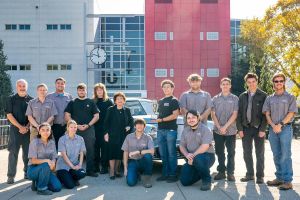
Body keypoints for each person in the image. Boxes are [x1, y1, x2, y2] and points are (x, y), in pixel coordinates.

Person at [263, 72, 298, 190]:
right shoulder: (269, 98)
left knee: (286, 155)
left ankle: (288, 181)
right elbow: (267, 113)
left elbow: (291, 113)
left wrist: (280, 125)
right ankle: (279, 178)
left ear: (284, 83)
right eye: (276, 81)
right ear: (273, 83)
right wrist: (273, 125)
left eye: (281, 81)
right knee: (276, 155)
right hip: (273, 130)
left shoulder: (290, 97)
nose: (279, 83)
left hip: (285, 129)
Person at [236, 72, 267, 184]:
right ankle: (250, 174)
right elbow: (239, 114)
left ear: (257, 81)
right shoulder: (242, 96)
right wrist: (239, 129)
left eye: (253, 81)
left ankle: (260, 176)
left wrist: (263, 129)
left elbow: (266, 114)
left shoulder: (263, 95)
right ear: (246, 83)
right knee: (247, 152)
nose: (251, 84)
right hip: (245, 128)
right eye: (249, 82)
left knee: (260, 153)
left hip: (258, 128)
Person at [64, 83, 100, 177]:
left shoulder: (91, 102)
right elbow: (67, 115)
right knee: (73, 150)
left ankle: (90, 171)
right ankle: (72, 170)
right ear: (77, 91)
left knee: (90, 150)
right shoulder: (72, 102)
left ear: (86, 91)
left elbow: (96, 116)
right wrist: (76, 125)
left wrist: (88, 125)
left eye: (83, 90)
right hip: (75, 130)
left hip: (88, 129)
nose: (81, 91)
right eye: (80, 90)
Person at [179, 110, 215, 191]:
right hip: (191, 158)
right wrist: (187, 155)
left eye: (193, 117)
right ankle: (202, 170)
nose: (191, 120)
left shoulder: (206, 129)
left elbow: (205, 146)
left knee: (198, 159)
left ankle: (206, 180)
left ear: (198, 118)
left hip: (207, 156)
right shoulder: (185, 130)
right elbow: (182, 146)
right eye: (188, 118)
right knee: (184, 181)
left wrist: (193, 156)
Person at [5, 79, 33, 184]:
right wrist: (20, 127)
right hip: (15, 130)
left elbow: (32, 116)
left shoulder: (31, 100)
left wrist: (27, 126)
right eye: (20, 86)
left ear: (26, 87)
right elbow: (9, 115)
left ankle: (27, 173)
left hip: (28, 130)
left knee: (27, 154)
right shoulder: (10, 99)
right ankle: (10, 176)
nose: (22, 88)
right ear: (17, 87)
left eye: (24, 86)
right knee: (13, 153)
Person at [211, 78, 239, 181]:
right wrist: (219, 127)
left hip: (231, 130)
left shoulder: (235, 98)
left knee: (231, 152)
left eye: (227, 84)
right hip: (217, 130)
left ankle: (230, 173)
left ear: (230, 86)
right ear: (220, 86)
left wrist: (225, 127)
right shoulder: (215, 99)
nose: (225, 86)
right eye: (223, 84)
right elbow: (212, 114)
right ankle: (221, 171)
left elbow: (235, 114)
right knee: (219, 151)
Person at [154, 80, 180, 182]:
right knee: (163, 154)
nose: (166, 89)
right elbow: (159, 114)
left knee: (171, 153)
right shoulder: (160, 101)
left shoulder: (174, 100)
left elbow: (175, 115)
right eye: (164, 87)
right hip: (160, 130)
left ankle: (173, 175)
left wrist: (162, 120)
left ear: (172, 88)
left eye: (168, 87)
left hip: (170, 130)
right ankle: (165, 174)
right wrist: (156, 118)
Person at [104, 92, 134, 179]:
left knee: (120, 153)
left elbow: (131, 121)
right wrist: (106, 134)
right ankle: (112, 172)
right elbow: (106, 123)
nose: (120, 100)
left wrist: (129, 126)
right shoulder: (111, 109)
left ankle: (117, 170)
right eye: (118, 99)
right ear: (115, 101)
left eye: (121, 99)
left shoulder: (127, 110)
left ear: (124, 101)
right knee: (112, 153)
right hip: (112, 135)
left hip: (123, 135)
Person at [27, 123, 62, 195]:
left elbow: (54, 156)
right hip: (33, 169)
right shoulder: (34, 142)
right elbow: (33, 160)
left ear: (50, 132)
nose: (45, 132)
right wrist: (47, 160)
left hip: (47, 169)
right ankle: (41, 189)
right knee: (45, 164)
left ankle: (38, 182)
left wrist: (53, 162)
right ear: (39, 132)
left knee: (57, 187)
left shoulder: (52, 142)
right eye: (43, 130)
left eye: (47, 130)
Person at [122, 118, 154, 188]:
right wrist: (125, 168)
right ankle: (137, 174)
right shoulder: (129, 137)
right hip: (133, 161)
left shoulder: (148, 137)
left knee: (148, 156)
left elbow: (152, 151)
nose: (139, 126)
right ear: (134, 126)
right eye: (137, 124)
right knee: (130, 183)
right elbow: (125, 152)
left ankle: (146, 178)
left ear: (144, 127)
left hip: (143, 161)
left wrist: (138, 151)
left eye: (141, 124)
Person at [56, 120, 86, 189]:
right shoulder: (62, 139)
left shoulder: (80, 138)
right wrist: (72, 166)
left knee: (82, 173)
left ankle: (71, 178)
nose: (73, 129)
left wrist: (80, 165)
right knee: (70, 186)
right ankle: (61, 177)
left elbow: (82, 153)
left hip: (74, 164)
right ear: (67, 128)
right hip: (63, 166)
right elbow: (63, 155)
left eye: (75, 127)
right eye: (71, 127)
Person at [93, 83, 113, 174]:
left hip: (105, 129)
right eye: (97, 90)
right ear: (95, 92)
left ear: (103, 91)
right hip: (94, 128)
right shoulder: (92, 101)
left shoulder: (109, 101)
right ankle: (96, 167)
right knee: (95, 148)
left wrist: (109, 130)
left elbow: (112, 116)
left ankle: (104, 167)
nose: (99, 92)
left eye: (101, 90)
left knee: (105, 149)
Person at [47, 77, 72, 148]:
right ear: (55, 84)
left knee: (65, 146)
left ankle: (63, 159)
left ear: (65, 85)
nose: (60, 85)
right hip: (54, 126)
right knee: (55, 145)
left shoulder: (69, 96)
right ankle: (56, 159)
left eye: (62, 83)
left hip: (66, 126)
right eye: (58, 83)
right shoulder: (49, 96)